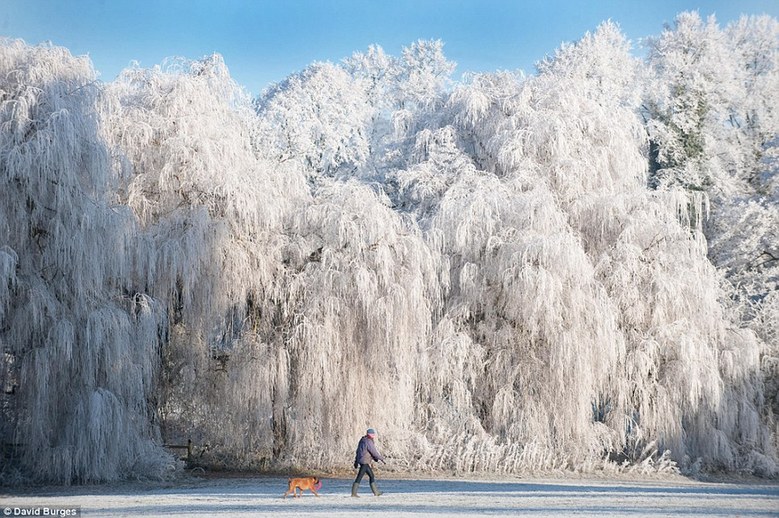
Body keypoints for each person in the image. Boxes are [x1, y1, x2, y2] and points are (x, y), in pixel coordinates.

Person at [351, 428, 385, 497]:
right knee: (360, 476)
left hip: (362, 460)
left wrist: (356, 461)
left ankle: (376, 492)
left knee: (371, 475)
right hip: (365, 461)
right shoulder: (368, 441)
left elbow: (358, 451)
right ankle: (354, 493)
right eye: (373, 434)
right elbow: (373, 451)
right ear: (371, 435)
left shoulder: (362, 440)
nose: (373, 435)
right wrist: (381, 458)